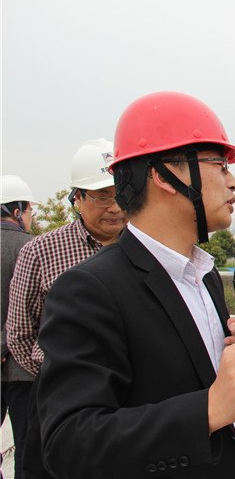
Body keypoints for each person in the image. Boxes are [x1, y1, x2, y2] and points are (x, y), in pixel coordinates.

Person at [34, 91, 235, 479]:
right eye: (219, 165)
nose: (233, 182)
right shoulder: (89, 290)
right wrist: (208, 408)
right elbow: (69, 444)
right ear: (164, 175)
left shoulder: (203, 275)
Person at [5, 139, 127, 478]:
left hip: (133, 398)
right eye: (102, 196)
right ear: (77, 198)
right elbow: (20, 332)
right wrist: (58, 371)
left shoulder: (145, 248)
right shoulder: (41, 251)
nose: (115, 207)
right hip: (60, 399)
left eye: (121, 194)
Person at [1, 175, 37, 479]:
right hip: (23, 369)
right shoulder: (31, 248)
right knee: (27, 447)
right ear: (17, 211)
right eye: (29, 211)